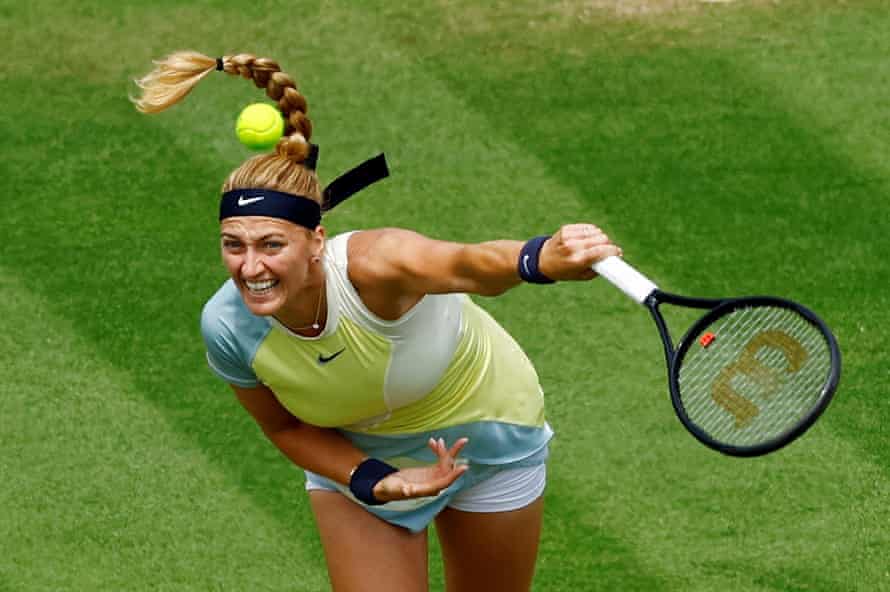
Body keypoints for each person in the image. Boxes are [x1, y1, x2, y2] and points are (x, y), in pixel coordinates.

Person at [133, 51, 622, 592]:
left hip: (484, 427)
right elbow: (285, 426)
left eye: (271, 245)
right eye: (233, 246)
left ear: (315, 241)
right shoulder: (227, 326)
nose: (250, 268)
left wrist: (539, 258)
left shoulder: (377, 265)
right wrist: (375, 481)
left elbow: (468, 264)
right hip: (357, 451)